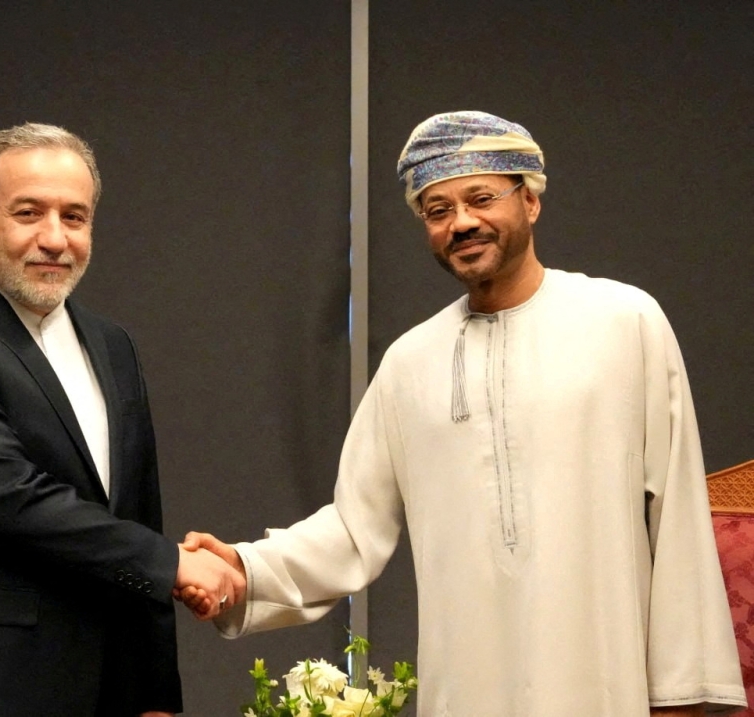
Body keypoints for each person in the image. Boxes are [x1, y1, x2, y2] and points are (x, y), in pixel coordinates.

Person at [181, 111, 746, 716]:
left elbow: (678, 520)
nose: (462, 223)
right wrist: (245, 567)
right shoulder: (410, 361)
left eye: (481, 198)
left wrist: (680, 695)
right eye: (437, 209)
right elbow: (352, 530)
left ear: (530, 201)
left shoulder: (625, 323)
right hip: (467, 688)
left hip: (606, 684)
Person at [0, 122, 243, 717]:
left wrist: (155, 694)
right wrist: (172, 563)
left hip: (105, 691)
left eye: (74, 217)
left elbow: (137, 510)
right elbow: (6, 495)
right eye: (28, 213)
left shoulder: (112, 344)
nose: (54, 238)